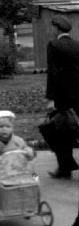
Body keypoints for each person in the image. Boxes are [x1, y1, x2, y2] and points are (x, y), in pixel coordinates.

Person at [45, 15, 79, 178]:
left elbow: (53, 73)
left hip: (62, 97)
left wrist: (51, 98)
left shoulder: (54, 45)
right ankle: (65, 167)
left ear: (56, 28)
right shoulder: (77, 45)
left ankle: (65, 168)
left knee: (60, 131)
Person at [0, 110, 35, 182]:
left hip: (18, 169)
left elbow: (25, 150)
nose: (4, 129)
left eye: (8, 126)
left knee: (30, 177)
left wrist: (29, 151)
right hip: (0, 171)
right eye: (1, 127)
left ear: (12, 128)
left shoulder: (18, 141)